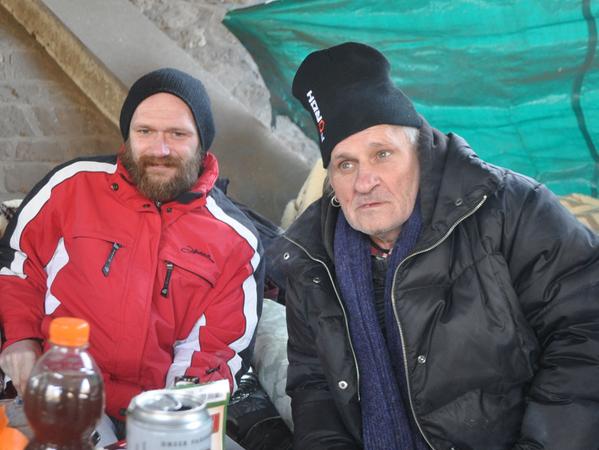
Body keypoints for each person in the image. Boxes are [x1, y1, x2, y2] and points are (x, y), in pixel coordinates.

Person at [277, 42, 599, 450]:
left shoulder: (511, 209)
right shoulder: (313, 261)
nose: (364, 181)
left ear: (420, 154)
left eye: (382, 154)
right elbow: (315, 384)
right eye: (346, 163)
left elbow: (586, 332)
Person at [0, 68, 264, 430]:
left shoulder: (236, 240)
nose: (161, 149)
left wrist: (170, 420)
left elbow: (217, 350)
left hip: (154, 415)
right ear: (128, 134)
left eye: (178, 134)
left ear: (203, 142)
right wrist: (20, 339)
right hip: (56, 394)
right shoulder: (73, 185)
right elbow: (18, 265)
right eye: (145, 132)